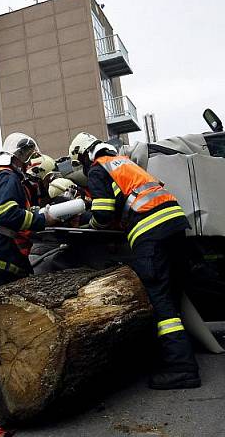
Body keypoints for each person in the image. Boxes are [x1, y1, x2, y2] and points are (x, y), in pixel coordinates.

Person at [69, 132, 200, 390]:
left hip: (151, 231)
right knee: (171, 295)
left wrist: (90, 224)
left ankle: (182, 369)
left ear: (85, 156)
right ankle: (177, 354)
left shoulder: (98, 169)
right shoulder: (124, 163)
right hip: (175, 224)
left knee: (159, 301)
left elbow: (103, 214)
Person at [0, 133, 59, 296]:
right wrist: (43, 219)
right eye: (27, 159)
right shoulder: (7, 176)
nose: (28, 165)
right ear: (20, 157)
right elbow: (6, 213)